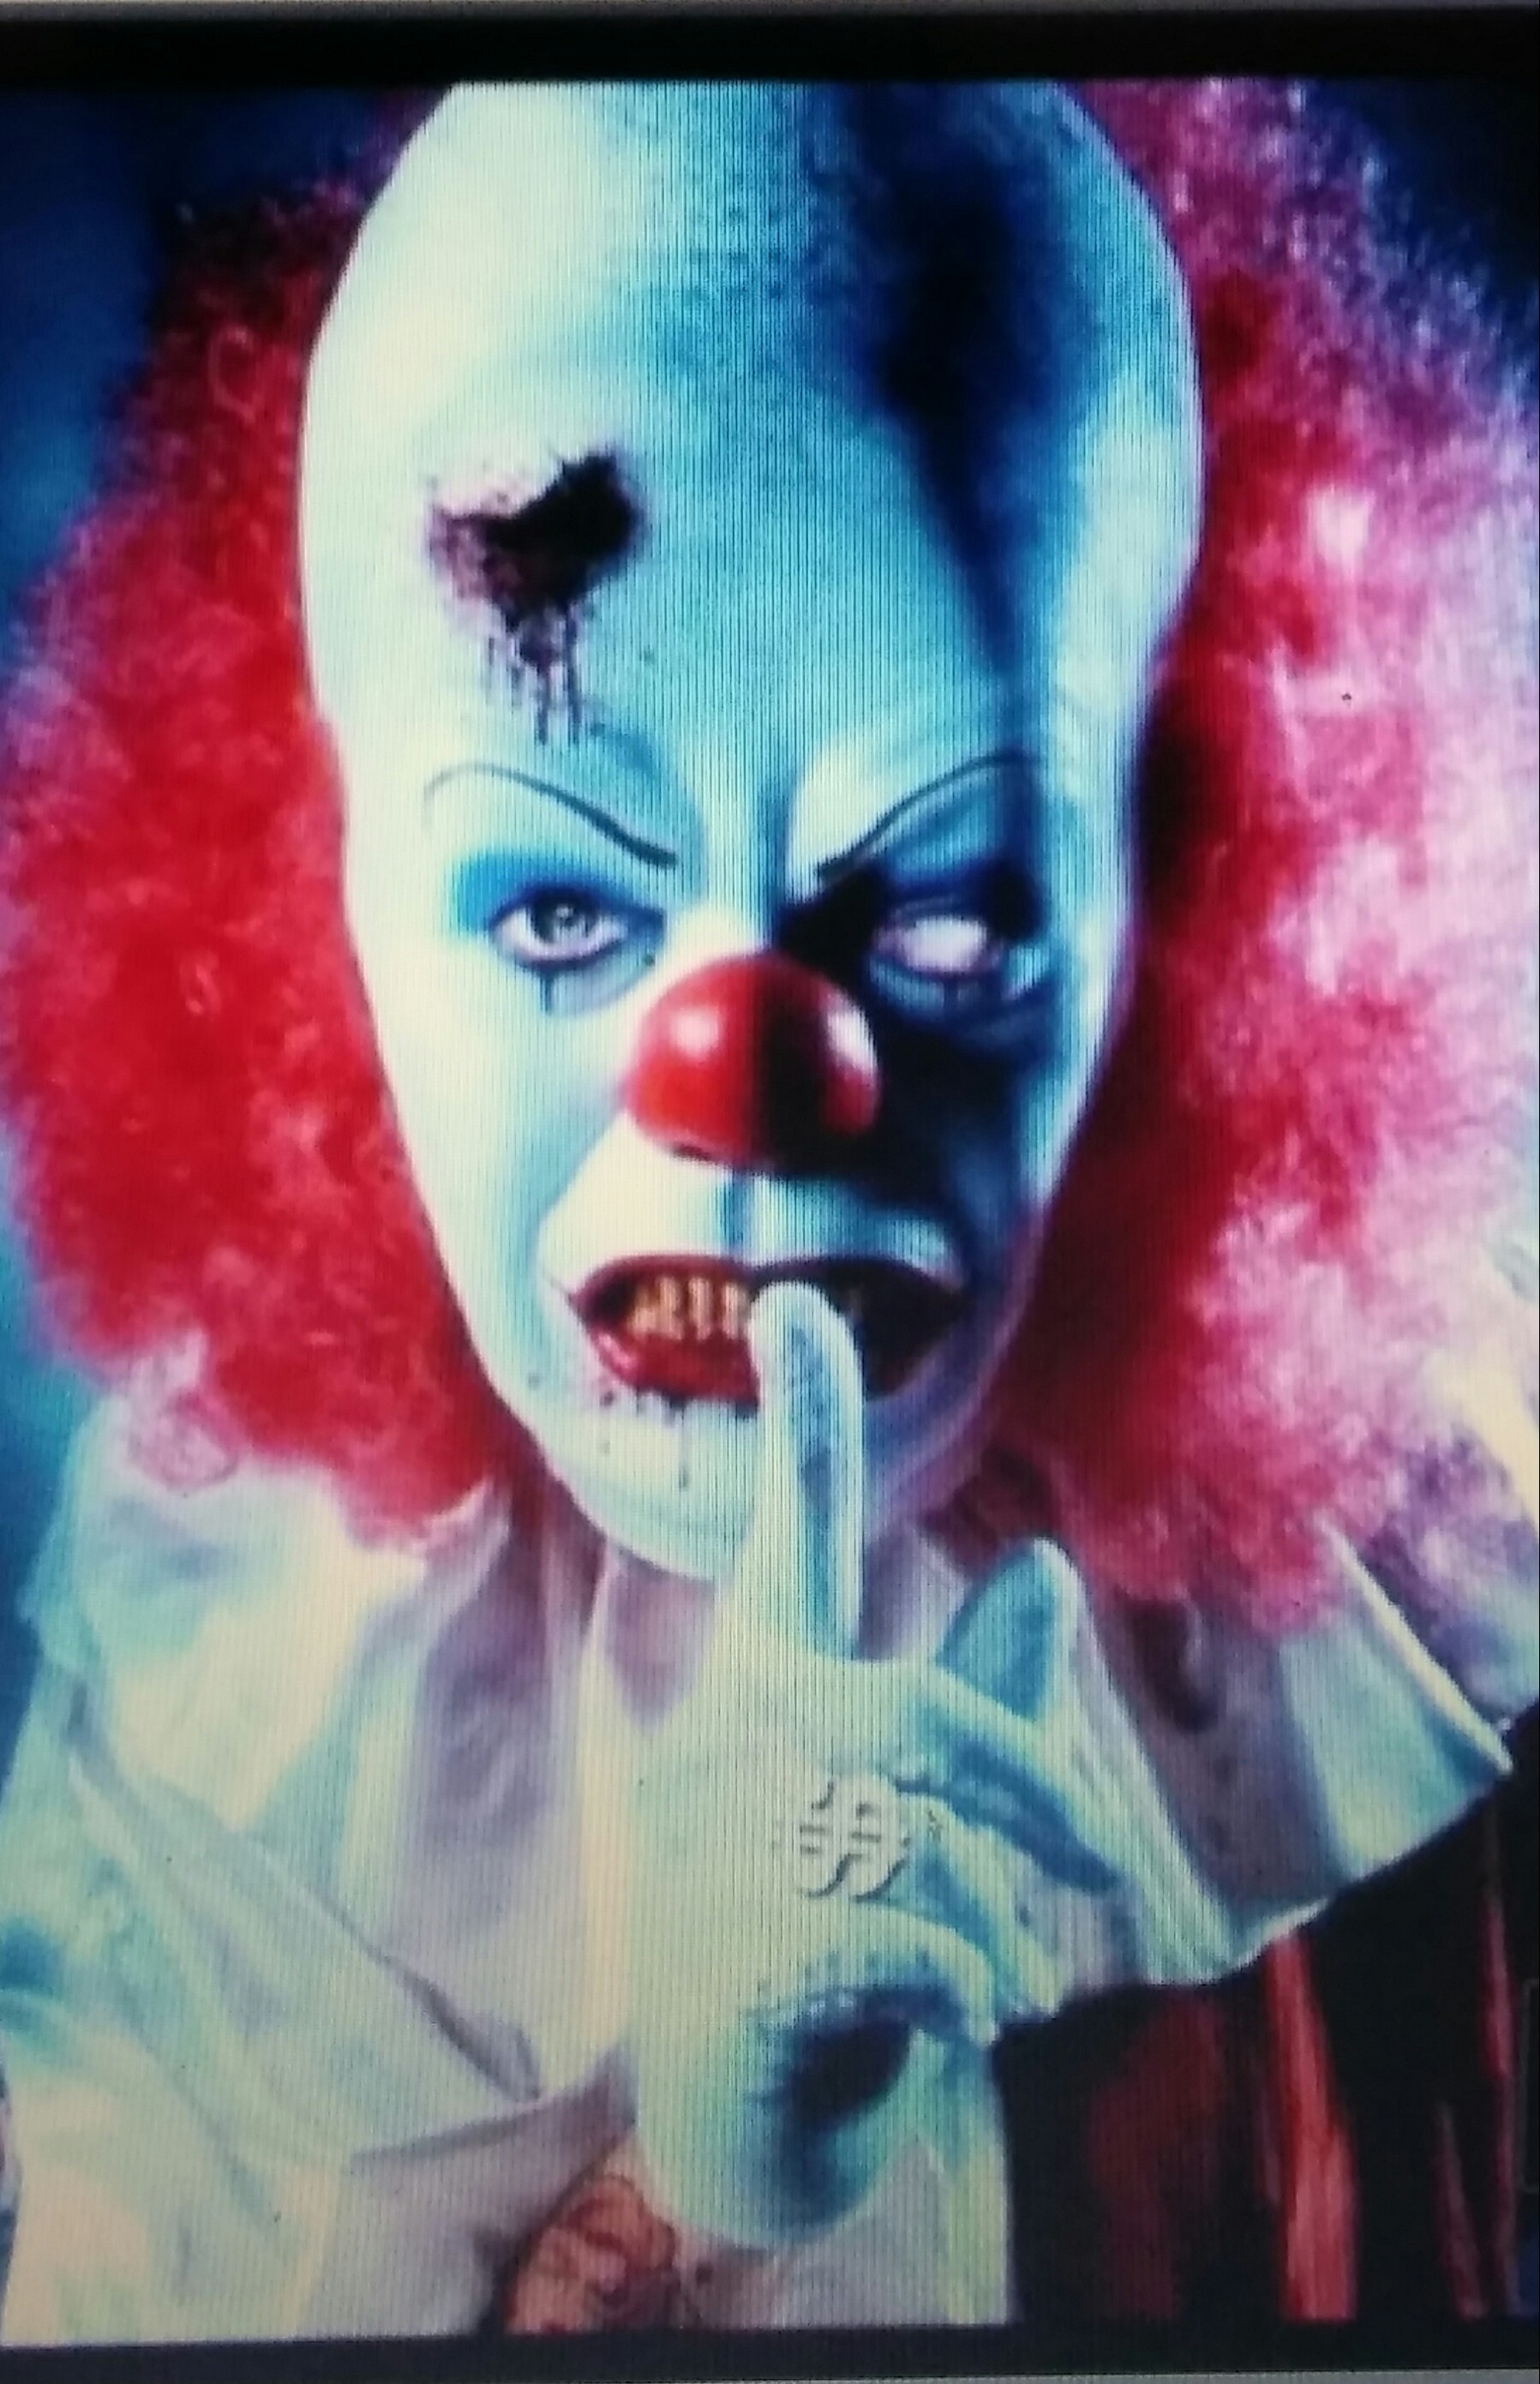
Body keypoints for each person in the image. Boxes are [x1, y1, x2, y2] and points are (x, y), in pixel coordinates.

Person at [0, 81, 1534, 2342]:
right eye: (555, 910)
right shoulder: (235, 1708)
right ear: (323, 907)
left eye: (947, 912)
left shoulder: (1413, 1561)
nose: (745, 1095)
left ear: (1191, 880)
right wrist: (706, 2200)